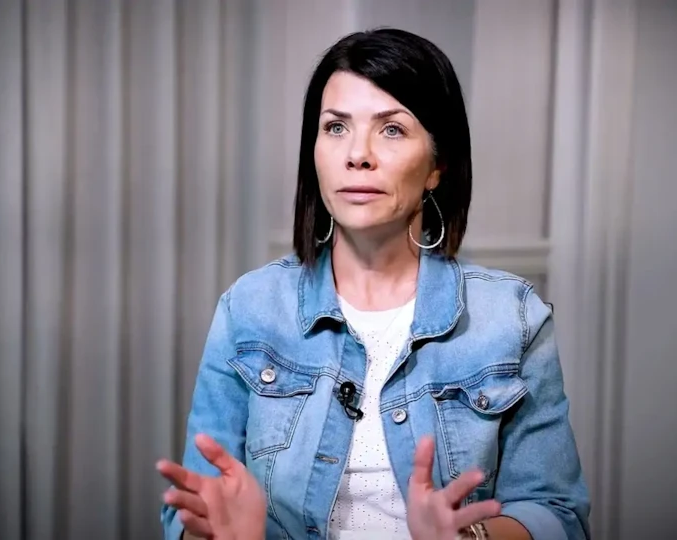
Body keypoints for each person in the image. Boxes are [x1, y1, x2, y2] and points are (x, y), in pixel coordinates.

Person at [157, 28, 591, 540]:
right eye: (336, 127)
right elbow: (191, 514)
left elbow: (557, 513)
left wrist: (472, 538)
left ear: (437, 166)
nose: (357, 154)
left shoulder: (512, 318)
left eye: (391, 130)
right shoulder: (248, 309)